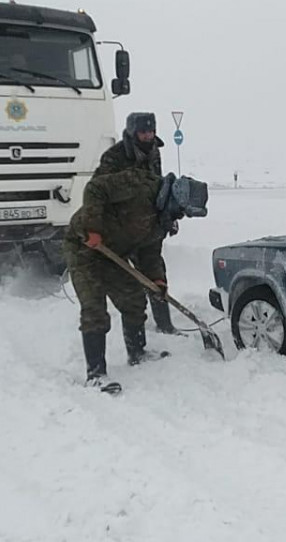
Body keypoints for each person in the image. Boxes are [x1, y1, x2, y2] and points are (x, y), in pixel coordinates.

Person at [63, 119, 170, 394]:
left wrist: (156, 280)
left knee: (134, 299)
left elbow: (150, 252)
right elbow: (94, 189)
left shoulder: (160, 219)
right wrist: (92, 229)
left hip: (114, 252)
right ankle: (95, 373)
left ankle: (138, 352)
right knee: (95, 310)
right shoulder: (137, 182)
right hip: (85, 247)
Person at [93, 112, 179, 335]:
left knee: (157, 276)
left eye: (151, 131)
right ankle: (135, 345)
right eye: (143, 132)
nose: (148, 136)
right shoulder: (114, 157)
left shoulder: (154, 152)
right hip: (119, 230)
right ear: (132, 132)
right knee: (130, 292)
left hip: (148, 227)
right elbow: (97, 191)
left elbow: (158, 189)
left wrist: (167, 217)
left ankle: (165, 325)